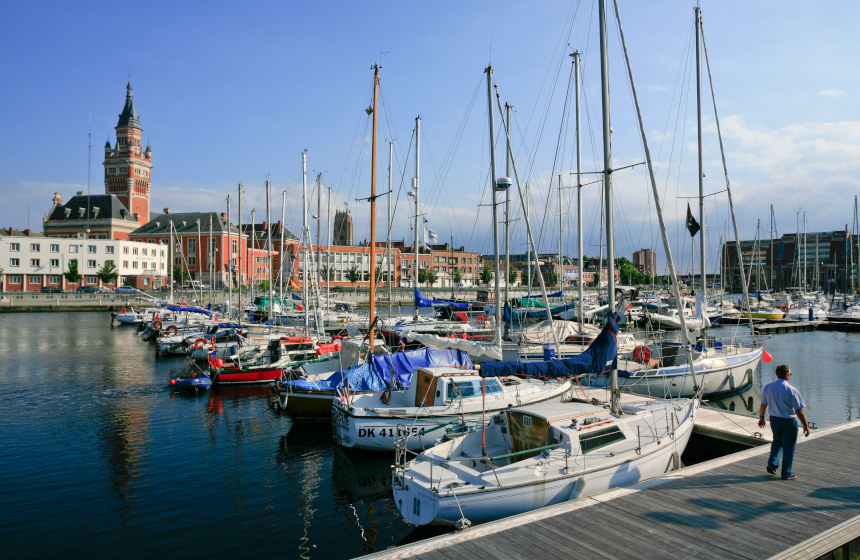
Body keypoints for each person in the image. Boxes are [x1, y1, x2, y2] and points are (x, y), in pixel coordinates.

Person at [758, 364, 810, 480]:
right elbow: (799, 410)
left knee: (777, 441)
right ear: (787, 375)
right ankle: (786, 472)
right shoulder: (791, 390)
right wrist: (805, 425)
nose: (790, 376)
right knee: (789, 446)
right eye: (790, 374)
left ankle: (772, 463)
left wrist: (761, 417)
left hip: (774, 420)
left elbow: (763, 404)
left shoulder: (768, 387)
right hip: (788, 421)